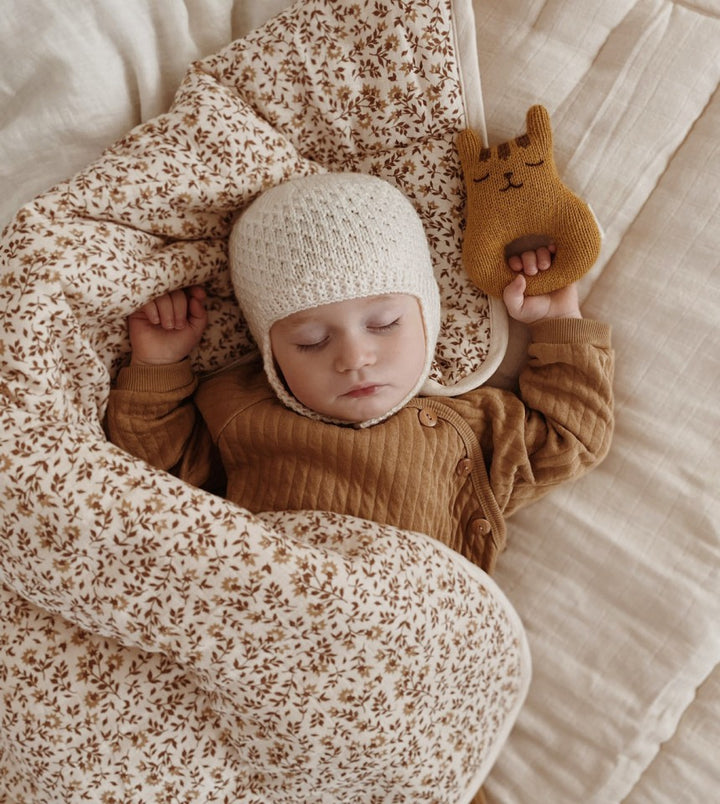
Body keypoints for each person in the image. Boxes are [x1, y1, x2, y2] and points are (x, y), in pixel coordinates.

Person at [106, 171, 613, 573]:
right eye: (312, 342)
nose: (354, 358)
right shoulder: (237, 410)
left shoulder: (472, 428)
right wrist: (160, 363)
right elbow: (149, 477)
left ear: (427, 318)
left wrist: (556, 324)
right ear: (271, 355)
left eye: (385, 323)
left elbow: (572, 437)